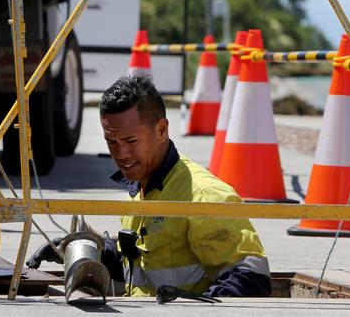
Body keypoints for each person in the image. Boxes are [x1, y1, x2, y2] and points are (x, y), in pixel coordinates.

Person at [27, 73, 271, 298]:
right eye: (111, 141)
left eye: (131, 140)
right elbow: (141, 269)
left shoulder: (204, 196)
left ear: (162, 129)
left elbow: (252, 279)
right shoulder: (141, 189)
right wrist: (93, 253)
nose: (121, 153)